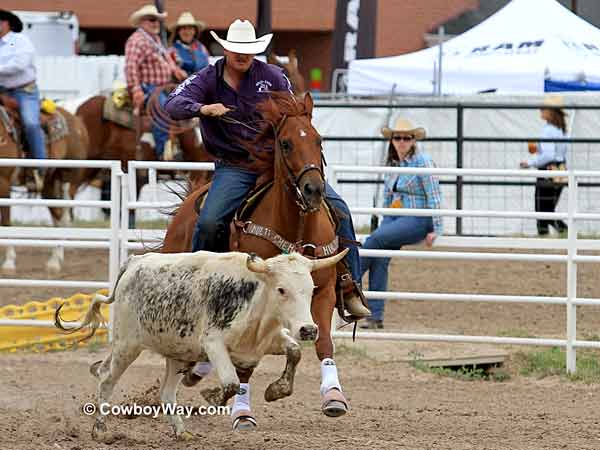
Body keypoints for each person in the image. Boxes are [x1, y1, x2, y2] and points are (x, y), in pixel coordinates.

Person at [165, 18, 369, 414]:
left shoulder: (272, 75)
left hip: (282, 163)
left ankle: (348, 285)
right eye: (238, 49)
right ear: (226, 49)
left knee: (339, 211)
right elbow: (173, 103)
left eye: (250, 50)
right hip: (236, 166)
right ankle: (198, 290)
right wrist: (203, 107)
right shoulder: (208, 78)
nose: (244, 55)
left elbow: (295, 114)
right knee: (208, 220)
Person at [360, 118, 443, 329]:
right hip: (395, 218)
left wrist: (437, 228)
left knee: (374, 240)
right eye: (398, 137)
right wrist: (384, 220)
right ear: (392, 141)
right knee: (379, 257)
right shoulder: (394, 164)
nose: (402, 141)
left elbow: (434, 195)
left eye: (407, 138)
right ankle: (375, 316)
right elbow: (389, 199)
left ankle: (345, 280)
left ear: (414, 141)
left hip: (418, 217)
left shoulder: (423, 161)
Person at [124, 4, 187, 160]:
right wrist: (136, 90)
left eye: (158, 20)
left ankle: (183, 145)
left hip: (163, 86)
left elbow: (166, 59)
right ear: (142, 22)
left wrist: (175, 70)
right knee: (163, 109)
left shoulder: (155, 39)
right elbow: (131, 67)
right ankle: (163, 153)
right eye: (152, 20)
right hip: (148, 87)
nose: (156, 23)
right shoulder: (137, 40)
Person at [0, 9, 45, 190]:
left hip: (23, 92)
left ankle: (40, 167)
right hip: (1, 91)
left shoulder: (20, 41)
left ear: (7, 24)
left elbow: (21, 64)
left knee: (31, 123)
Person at [520, 96, 568, 236]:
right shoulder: (561, 130)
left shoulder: (548, 130)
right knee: (547, 209)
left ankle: (561, 233)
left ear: (551, 112)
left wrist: (529, 162)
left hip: (549, 170)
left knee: (542, 209)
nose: (540, 110)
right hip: (560, 169)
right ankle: (560, 234)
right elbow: (559, 153)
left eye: (543, 108)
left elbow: (548, 155)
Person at [169, 12, 210, 76]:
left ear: (195, 31)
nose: (187, 32)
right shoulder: (172, 50)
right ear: (178, 32)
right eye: (184, 28)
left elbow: (208, 67)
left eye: (190, 28)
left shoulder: (202, 48)